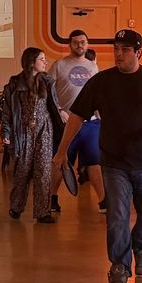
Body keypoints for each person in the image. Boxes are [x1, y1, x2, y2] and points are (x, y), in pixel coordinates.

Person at [54, 29, 142, 283]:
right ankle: (120, 267)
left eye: (125, 49)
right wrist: (62, 150)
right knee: (117, 217)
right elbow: (76, 117)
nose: (118, 54)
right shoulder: (101, 82)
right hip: (113, 162)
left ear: (138, 53)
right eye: (116, 49)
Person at [0, 47, 62, 223]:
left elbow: (54, 106)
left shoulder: (48, 82)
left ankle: (43, 212)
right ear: (31, 62)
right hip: (23, 132)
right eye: (42, 59)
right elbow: (8, 112)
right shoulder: (14, 83)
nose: (45, 62)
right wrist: (6, 132)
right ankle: (16, 207)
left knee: (43, 170)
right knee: (22, 171)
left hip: (44, 131)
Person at [50, 30, 105, 209]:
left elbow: (98, 94)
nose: (80, 45)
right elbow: (47, 93)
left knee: (94, 160)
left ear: (87, 44)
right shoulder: (59, 65)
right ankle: (51, 199)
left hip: (91, 123)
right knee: (61, 160)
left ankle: (103, 200)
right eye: (76, 42)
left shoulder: (92, 67)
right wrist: (59, 111)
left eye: (83, 42)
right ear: (70, 45)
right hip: (66, 122)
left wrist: (99, 113)